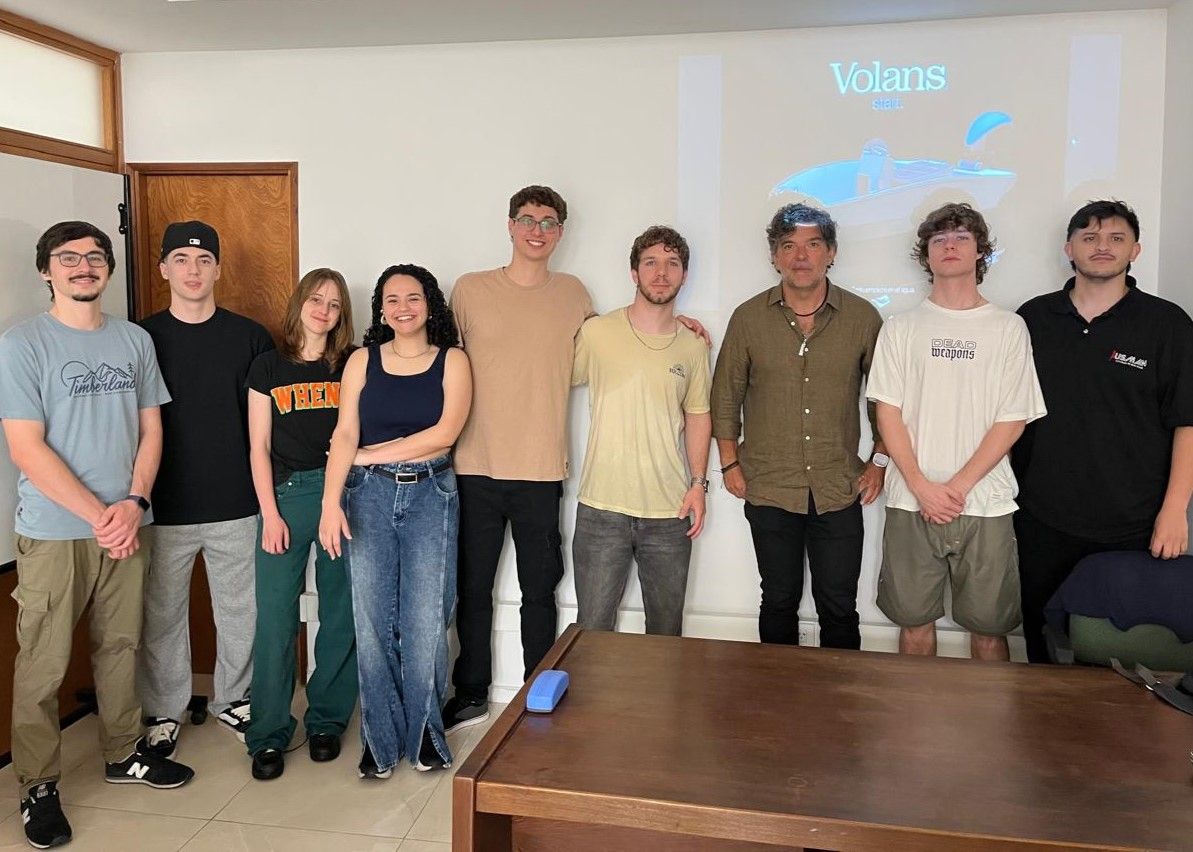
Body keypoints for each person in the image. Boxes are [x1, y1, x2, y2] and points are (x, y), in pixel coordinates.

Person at [0, 222, 194, 850]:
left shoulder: (133, 340)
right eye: (68, 259)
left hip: (128, 523)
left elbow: (151, 430)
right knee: (44, 664)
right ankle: (38, 784)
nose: (83, 267)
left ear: (108, 269)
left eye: (94, 258)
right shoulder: (22, 344)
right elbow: (27, 448)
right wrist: (100, 515)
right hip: (57, 532)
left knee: (120, 646)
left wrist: (134, 502)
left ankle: (122, 753)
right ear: (45, 271)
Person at [1013, 200, 1193, 663]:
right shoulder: (1031, 320)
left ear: (1136, 250)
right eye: (1089, 237)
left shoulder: (1167, 324)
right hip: (1042, 516)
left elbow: (1186, 423)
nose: (1102, 247)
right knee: (1045, 645)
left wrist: (1175, 511)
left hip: (1133, 521)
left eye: (1116, 238)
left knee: (1123, 654)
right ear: (1069, 248)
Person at [867, 202, 1046, 660]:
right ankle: (914, 730)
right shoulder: (901, 328)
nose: (949, 245)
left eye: (961, 237)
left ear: (980, 252)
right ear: (925, 254)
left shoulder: (1009, 327)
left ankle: (989, 733)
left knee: (989, 631)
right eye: (939, 239)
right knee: (913, 624)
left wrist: (958, 487)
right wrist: (922, 487)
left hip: (985, 501)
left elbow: (1013, 418)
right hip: (912, 500)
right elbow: (888, 412)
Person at [444, 186, 593, 732]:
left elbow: (610, 350)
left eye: (549, 222)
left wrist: (685, 327)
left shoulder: (575, 295)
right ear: (509, 226)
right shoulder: (470, 290)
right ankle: (471, 692)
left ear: (560, 233)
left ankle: (538, 684)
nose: (537, 230)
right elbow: (439, 362)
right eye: (528, 219)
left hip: (539, 468)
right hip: (474, 464)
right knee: (473, 586)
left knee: (540, 589)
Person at [319, 264, 471, 777]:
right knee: (373, 621)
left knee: (427, 621)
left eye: (413, 297)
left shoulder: (452, 361)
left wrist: (370, 454)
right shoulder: (362, 361)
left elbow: (444, 434)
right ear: (380, 308)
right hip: (368, 499)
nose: (402, 307)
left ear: (430, 304)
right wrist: (330, 502)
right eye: (392, 299)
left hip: (432, 493)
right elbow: (343, 435)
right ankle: (379, 742)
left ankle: (426, 735)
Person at [711, 204, 886, 649]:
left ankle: (838, 714)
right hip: (769, 486)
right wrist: (730, 464)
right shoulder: (748, 318)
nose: (800, 256)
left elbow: (885, 399)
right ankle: (780, 712)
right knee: (778, 602)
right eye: (788, 246)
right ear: (775, 256)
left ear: (831, 253)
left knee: (839, 607)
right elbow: (725, 396)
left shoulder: (863, 318)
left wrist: (879, 462)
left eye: (812, 245)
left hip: (839, 486)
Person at [138, 221, 275, 756]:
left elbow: (265, 427)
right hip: (163, 504)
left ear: (218, 268)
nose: (192, 271)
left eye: (202, 261)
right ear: (164, 269)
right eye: (180, 260)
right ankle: (163, 710)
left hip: (236, 501)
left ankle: (232, 700)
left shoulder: (249, 336)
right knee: (163, 614)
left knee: (241, 611)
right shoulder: (140, 337)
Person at [243, 269, 359, 780]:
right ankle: (268, 732)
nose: (324, 310)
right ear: (300, 304)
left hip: (342, 497)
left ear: (341, 316)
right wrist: (269, 513)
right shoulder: (267, 367)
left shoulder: (350, 366)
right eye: (316, 299)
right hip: (286, 499)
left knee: (341, 612)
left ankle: (327, 720)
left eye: (334, 305)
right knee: (274, 617)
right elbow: (257, 448)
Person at [571, 226, 712, 636]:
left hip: (670, 513)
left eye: (672, 264)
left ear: (684, 275)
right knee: (593, 632)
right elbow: (550, 375)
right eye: (651, 262)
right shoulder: (597, 334)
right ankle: (595, 705)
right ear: (634, 273)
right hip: (601, 510)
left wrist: (699, 483)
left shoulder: (693, 345)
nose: (661, 273)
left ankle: (664, 706)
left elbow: (698, 414)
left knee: (666, 635)